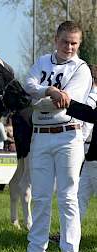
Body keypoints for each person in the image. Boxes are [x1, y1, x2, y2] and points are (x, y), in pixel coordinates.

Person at [23, 21, 92, 252]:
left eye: (74, 43)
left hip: (68, 136)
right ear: (56, 39)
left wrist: (40, 97)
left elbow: (65, 103)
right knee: (40, 196)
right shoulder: (42, 61)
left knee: (67, 197)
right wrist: (50, 90)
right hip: (40, 135)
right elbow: (26, 88)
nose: (69, 47)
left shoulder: (81, 69)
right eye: (65, 41)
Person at [65, 64, 97, 222]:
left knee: (79, 198)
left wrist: (68, 104)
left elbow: (91, 116)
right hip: (91, 157)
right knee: (79, 198)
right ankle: (69, 235)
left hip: (94, 157)